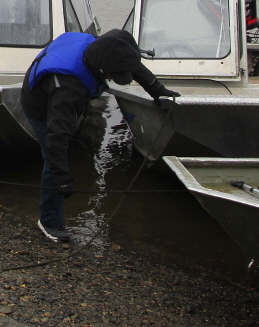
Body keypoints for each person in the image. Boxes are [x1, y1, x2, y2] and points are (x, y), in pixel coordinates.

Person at [20, 29, 179, 244]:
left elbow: (131, 64)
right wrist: (62, 178)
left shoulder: (105, 50)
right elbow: (57, 136)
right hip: (40, 107)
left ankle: (54, 200)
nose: (113, 78)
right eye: (113, 75)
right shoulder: (68, 86)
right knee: (53, 160)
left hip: (65, 93)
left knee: (65, 137)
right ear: (102, 69)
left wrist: (156, 89)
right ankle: (49, 221)